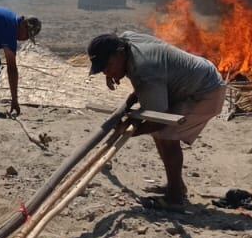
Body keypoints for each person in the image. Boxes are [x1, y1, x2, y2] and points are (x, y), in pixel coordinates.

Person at [86, 31, 226, 208]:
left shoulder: (145, 70)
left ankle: (175, 198)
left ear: (119, 53)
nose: (107, 71)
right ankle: (176, 186)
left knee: (165, 133)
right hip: (189, 83)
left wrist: (130, 131)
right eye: (103, 69)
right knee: (159, 133)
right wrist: (115, 78)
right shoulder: (125, 40)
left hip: (205, 91)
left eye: (108, 66)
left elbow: (159, 119)